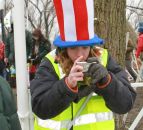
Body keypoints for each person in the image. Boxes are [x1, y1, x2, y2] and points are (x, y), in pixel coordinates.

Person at [30, 0, 136, 130]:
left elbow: (125, 104)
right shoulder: (51, 62)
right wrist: (67, 85)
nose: (80, 55)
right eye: (73, 48)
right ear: (64, 49)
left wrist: (107, 81)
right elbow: (40, 108)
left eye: (85, 47)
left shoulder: (103, 58)